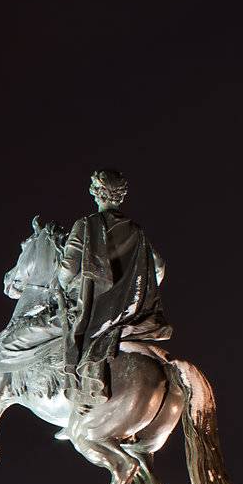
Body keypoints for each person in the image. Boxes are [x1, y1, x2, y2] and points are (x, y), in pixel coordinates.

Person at [56, 169, 172, 402]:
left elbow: (67, 270)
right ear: (119, 196)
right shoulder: (137, 231)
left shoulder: (86, 225)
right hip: (134, 309)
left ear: (97, 194)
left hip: (99, 309)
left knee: (69, 333)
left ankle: (84, 389)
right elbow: (158, 267)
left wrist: (62, 283)